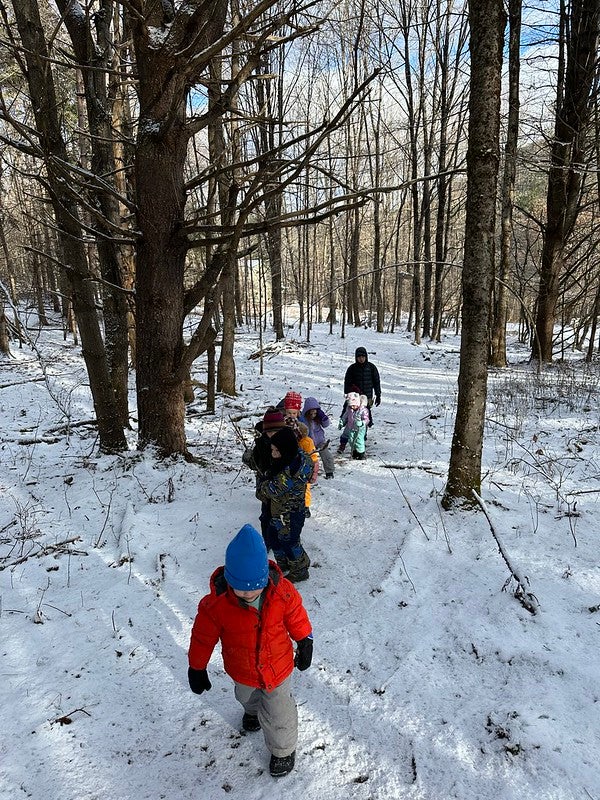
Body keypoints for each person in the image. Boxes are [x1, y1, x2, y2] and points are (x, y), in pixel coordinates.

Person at [188, 524, 313, 778]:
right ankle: (253, 711)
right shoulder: (216, 605)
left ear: (264, 578)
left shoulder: (281, 592)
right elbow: (202, 637)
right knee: (246, 697)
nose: (247, 593)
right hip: (242, 669)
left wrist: (305, 640)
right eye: (241, 588)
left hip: (278, 667)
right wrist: (197, 666)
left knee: (280, 712)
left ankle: (283, 750)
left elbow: (297, 615)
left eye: (253, 587)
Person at [256, 425, 313, 582]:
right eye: (272, 450)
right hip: (279, 512)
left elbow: (270, 490)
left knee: (289, 541)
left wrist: (262, 483)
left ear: (286, 450)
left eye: (276, 451)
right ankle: (284, 564)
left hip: (290, 513)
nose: (273, 455)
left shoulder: (288, 473)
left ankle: (300, 568)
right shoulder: (296, 457)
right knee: (274, 537)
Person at [242, 407, 287, 542]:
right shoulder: (261, 445)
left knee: (281, 515)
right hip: (266, 486)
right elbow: (255, 464)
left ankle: (281, 539)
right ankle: (266, 541)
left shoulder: (288, 442)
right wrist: (249, 459)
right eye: (270, 431)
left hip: (282, 487)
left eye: (277, 431)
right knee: (266, 515)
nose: (273, 434)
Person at [343, 347, 381, 426]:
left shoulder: (371, 368)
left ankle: (363, 432)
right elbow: (347, 382)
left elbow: (376, 382)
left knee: (365, 415)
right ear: (356, 357)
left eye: (363, 357)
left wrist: (378, 395)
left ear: (366, 357)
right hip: (355, 396)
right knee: (351, 413)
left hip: (367, 397)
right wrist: (347, 394)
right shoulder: (352, 368)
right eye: (359, 357)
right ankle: (348, 427)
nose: (361, 359)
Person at [302, 396, 335, 479]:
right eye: (311, 413)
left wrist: (323, 417)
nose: (313, 415)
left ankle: (329, 472)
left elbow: (326, 425)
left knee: (326, 455)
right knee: (310, 459)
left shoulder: (318, 418)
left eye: (315, 413)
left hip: (320, 440)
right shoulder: (303, 419)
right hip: (309, 442)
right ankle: (309, 474)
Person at [338, 391, 369, 460]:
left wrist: (362, 423)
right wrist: (342, 422)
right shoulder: (349, 409)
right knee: (351, 440)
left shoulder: (363, 410)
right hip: (351, 427)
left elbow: (366, 419)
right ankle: (354, 452)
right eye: (350, 405)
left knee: (359, 440)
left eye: (354, 405)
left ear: (358, 404)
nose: (352, 407)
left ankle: (361, 454)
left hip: (360, 429)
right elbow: (345, 416)